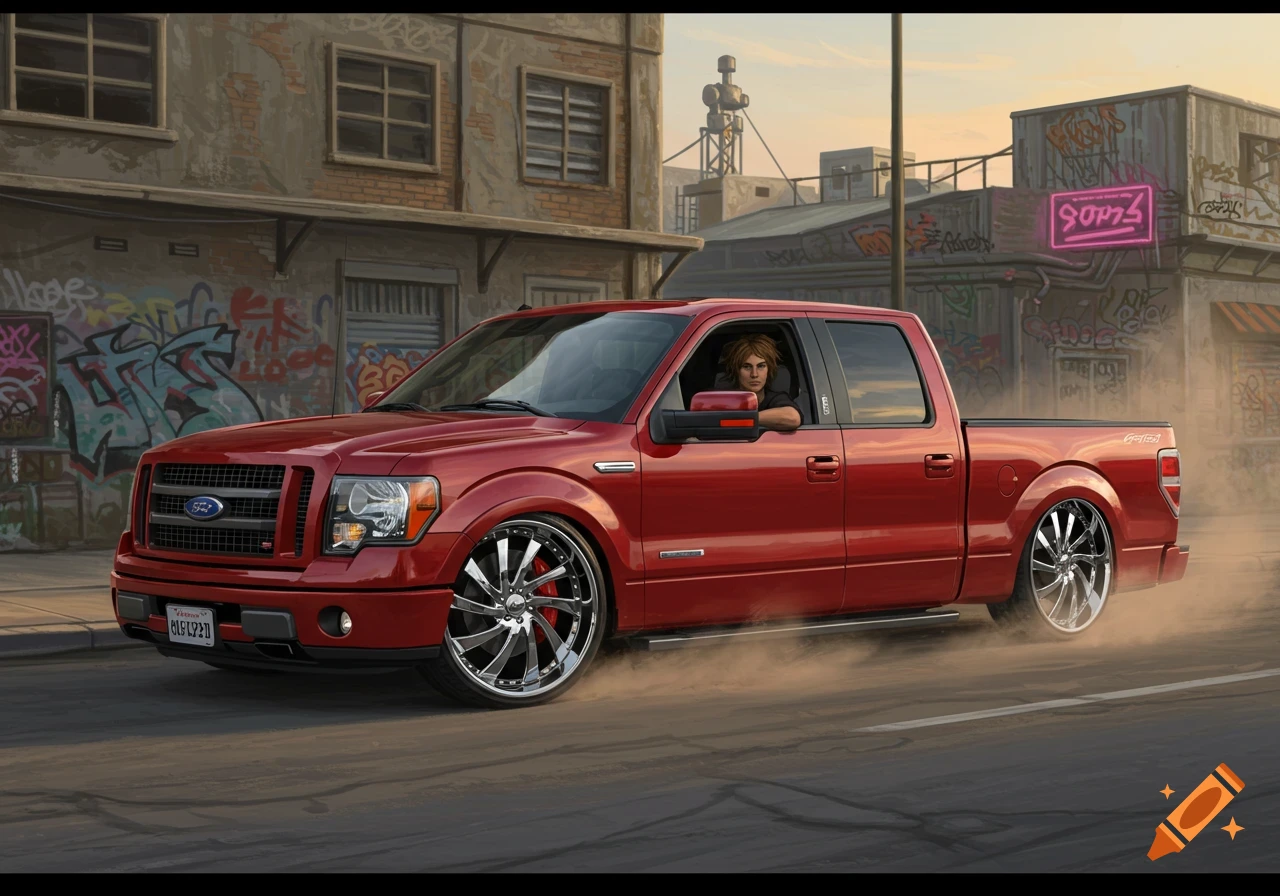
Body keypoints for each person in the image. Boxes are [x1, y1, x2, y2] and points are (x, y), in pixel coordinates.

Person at [718, 334, 802, 432]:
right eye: (747, 367)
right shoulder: (723, 399)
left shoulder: (775, 398)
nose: (754, 374)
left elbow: (793, 418)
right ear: (736, 370)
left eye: (761, 366)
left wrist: (742, 419)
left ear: (769, 370)